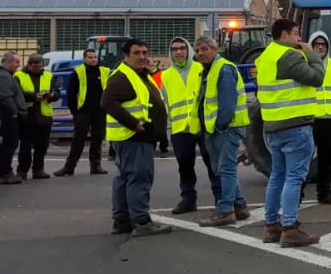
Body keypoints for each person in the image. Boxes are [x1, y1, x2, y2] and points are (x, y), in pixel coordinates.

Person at [255, 18, 326, 247]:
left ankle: (271, 226)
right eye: (296, 34)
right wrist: (312, 54)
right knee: (294, 178)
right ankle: (290, 228)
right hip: (295, 125)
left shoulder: (266, 56)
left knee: (277, 176)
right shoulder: (290, 55)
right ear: (284, 35)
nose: (299, 39)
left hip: (273, 126)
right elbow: (316, 77)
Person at [101, 39, 172, 236]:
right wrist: (133, 123)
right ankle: (141, 221)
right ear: (126, 56)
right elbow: (107, 102)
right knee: (139, 178)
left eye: (144, 52)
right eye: (137, 53)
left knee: (125, 178)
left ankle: (122, 219)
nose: (142, 57)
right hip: (134, 136)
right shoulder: (122, 77)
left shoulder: (137, 75)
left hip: (132, 137)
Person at [193, 35, 250, 227]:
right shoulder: (210, 70)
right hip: (218, 128)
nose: (200, 53)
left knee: (225, 169)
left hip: (226, 128)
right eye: (198, 50)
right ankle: (239, 205)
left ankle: (226, 210)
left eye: (204, 49)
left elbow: (227, 102)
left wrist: (220, 125)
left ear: (214, 49)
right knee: (224, 168)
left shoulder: (223, 69)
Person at [158, 37, 214, 213]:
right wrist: (168, 132)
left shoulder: (201, 69)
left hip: (203, 126)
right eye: (175, 49)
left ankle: (223, 199)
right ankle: (188, 200)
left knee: (213, 165)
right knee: (185, 167)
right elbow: (164, 104)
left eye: (182, 48)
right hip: (180, 128)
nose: (179, 52)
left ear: (188, 50)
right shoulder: (165, 76)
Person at [304, 31, 331, 205]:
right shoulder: (304, 67)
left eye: (323, 44)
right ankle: (297, 194)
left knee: (326, 161)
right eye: (316, 44)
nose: (320, 47)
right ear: (311, 46)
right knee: (304, 160)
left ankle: (324, 193)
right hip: (311, 121)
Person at [55, 49, 109, 176]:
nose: (93, 59)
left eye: (95, 57)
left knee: (97, 138)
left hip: (99, 111)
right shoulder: (78, 72)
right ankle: (69, 167)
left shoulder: (104, 71)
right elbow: (71, 93)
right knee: (79, 139)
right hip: (83, 111)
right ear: (84, 59)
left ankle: (95, 165)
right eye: (90, 57)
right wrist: (74, 111)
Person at [0, 52, 27, 185]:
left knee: (4, 146)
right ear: (7, 62)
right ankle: (4, 173)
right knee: (8, 145)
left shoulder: (3, 75)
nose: (19, 65)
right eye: (16, 62)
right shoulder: (3, 76)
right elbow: (4, 97)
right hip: (5, 117)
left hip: (3, 115)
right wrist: (14, 112)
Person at [14, 54, 59, 179]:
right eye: (35, 66)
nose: (38, 68)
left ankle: (38, 169)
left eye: (40, 66)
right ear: (29, 65)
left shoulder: (48, 76)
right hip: (27, 115)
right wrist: (34, 96)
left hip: (44, 116)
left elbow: (57, 93)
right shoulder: (19, 76)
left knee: (42, 145)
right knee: (25, 146)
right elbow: (18, 94)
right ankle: (22, 171)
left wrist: (52, 96)